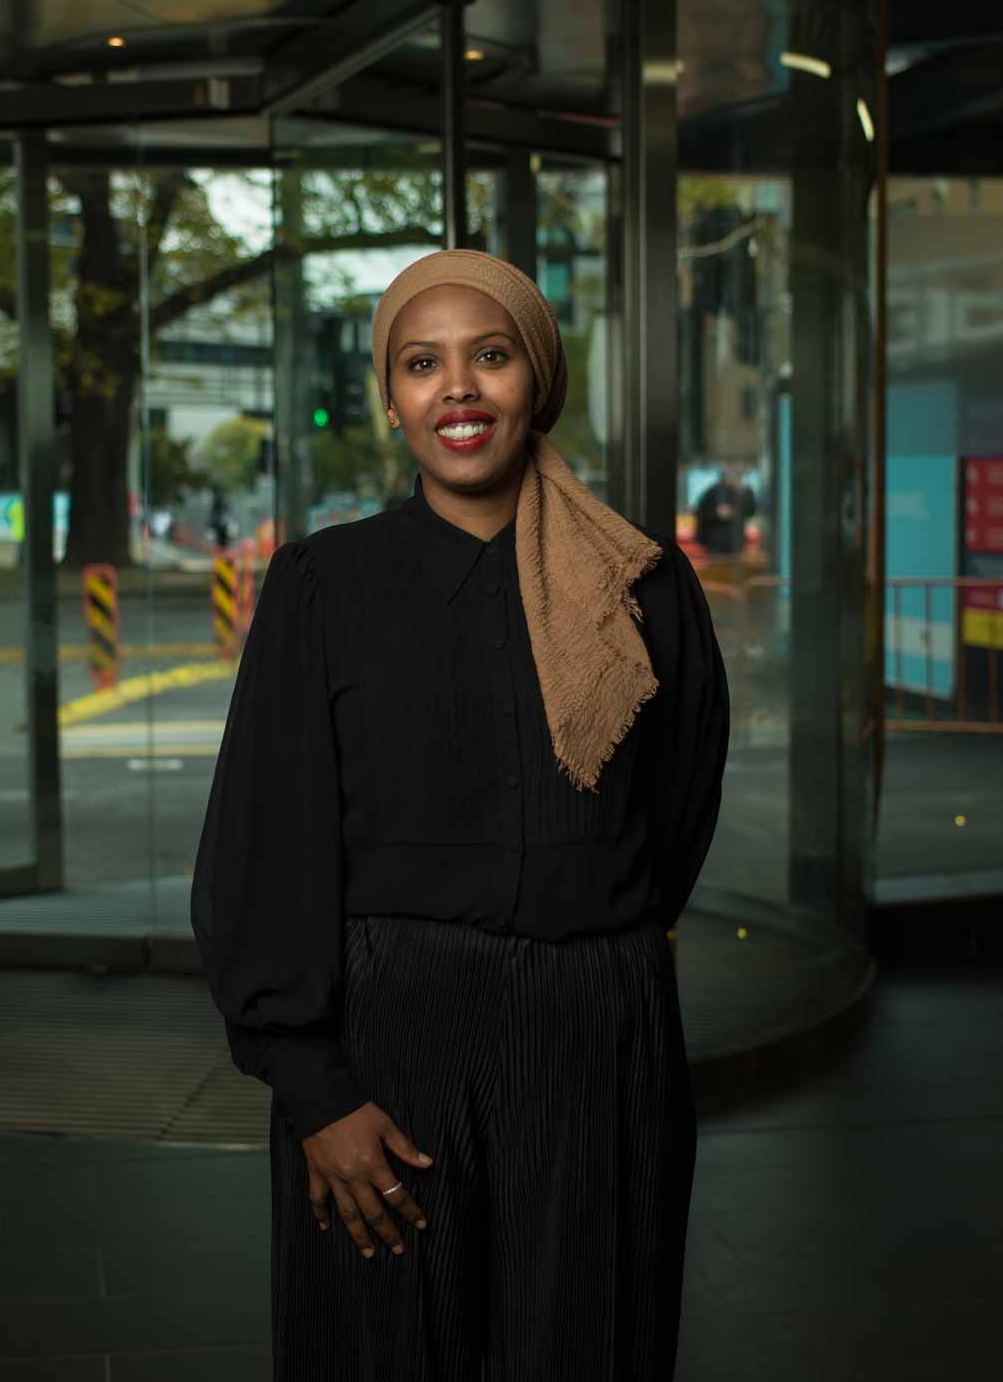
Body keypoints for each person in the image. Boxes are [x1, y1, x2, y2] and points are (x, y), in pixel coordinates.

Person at [191, 250, 730, 1378]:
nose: (458, 390)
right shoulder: (320, 585)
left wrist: (590, 933)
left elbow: (672, 811)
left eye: (488, 356)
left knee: (587, 1343)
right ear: (391, 400)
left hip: (596, 1035)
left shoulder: (640, 583)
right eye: (420, 363)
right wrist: (312, 1086)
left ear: (535, 376)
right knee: (384, 1346)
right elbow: (262, 843)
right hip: (387, 1043)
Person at [693, 460, 758, 558]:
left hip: (737, 542)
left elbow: (751, 511)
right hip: (716, 543)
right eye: (733, 472)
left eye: (738, 474)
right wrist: (716, 513)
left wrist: (743, 494)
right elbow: (699, 512)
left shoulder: (745, 492)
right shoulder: (713, 491)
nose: (735, 476)